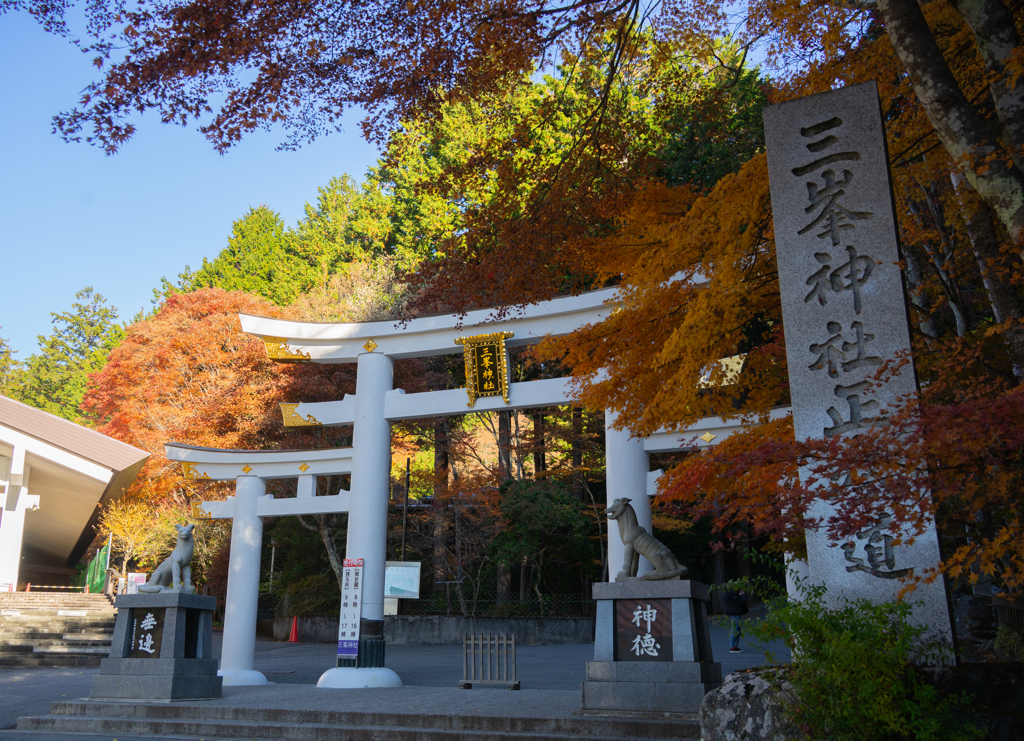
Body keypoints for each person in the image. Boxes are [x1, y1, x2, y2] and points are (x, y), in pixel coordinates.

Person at [722, 583, 748, 653]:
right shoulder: (732, 596)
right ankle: (732, 647)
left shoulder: (729, 595)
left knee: (737, 629)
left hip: (734, 613)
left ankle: (734, 646)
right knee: (735, 629)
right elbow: (741, 602)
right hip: (735, 613)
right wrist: (742, 595)